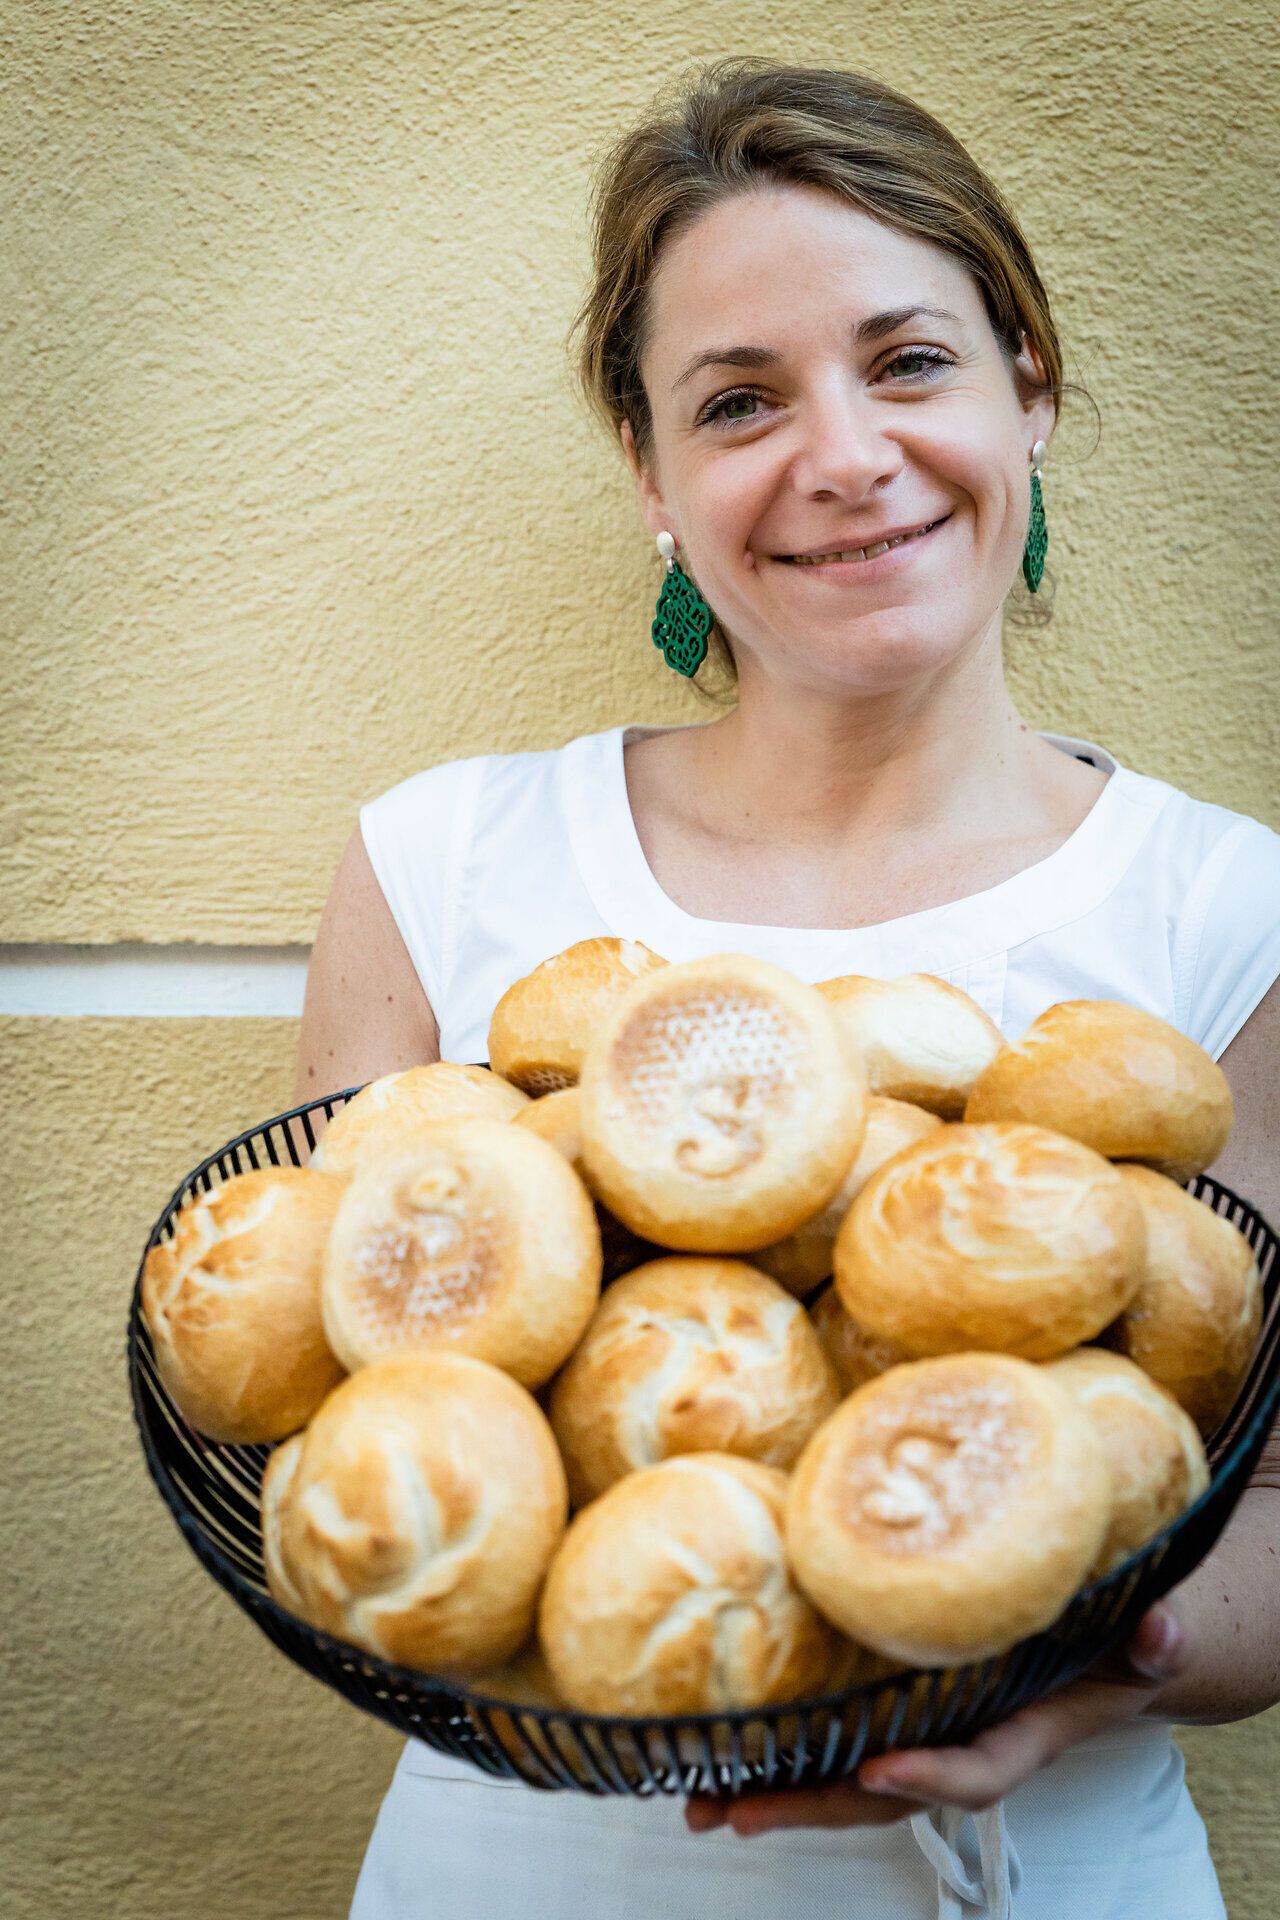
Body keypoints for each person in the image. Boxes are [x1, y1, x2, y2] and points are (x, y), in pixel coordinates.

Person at [294, 59, 1280, 1920]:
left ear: (1030, 391)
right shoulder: (442, 861)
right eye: (739, 400)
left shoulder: (1236, 911)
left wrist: (1087, 1672)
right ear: (650, 476)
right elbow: (330, 1410)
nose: (842, 456)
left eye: (910, 363)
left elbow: (1275, 1514)